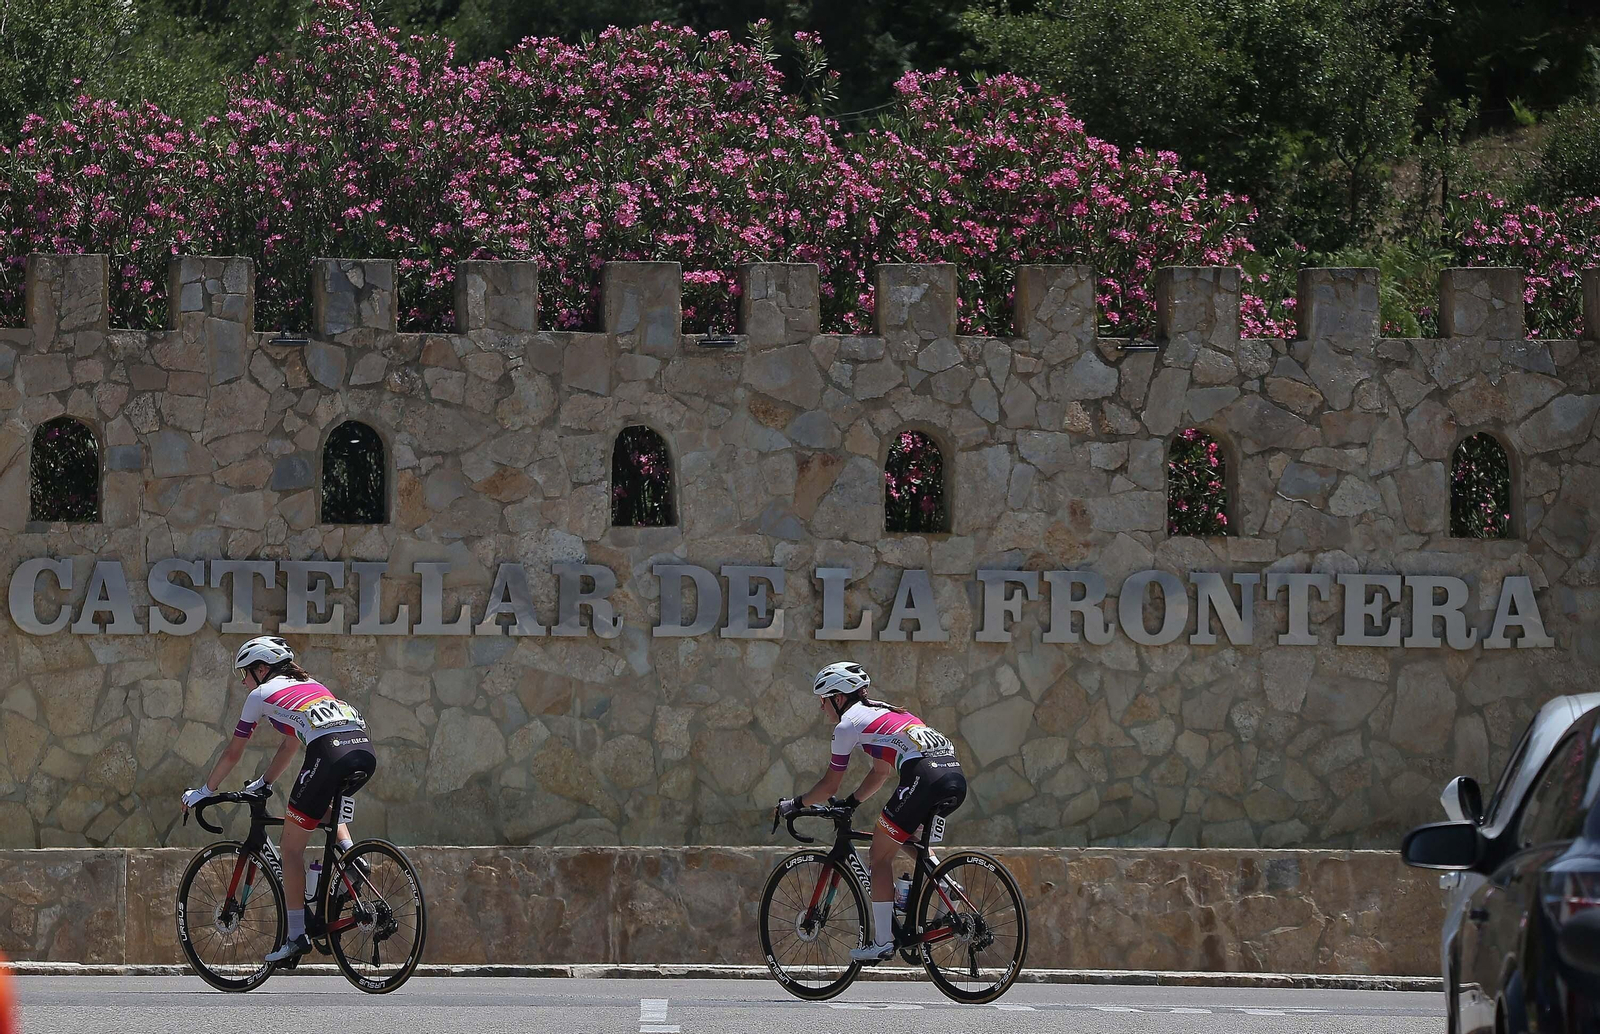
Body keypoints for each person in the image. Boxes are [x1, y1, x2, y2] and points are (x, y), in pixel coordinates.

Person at [180, 635, 375, 964]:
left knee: (290, 847)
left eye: (244, 674)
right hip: (363, 750)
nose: (244, 683)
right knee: (322, 809)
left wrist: (205, 791)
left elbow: (233, 752)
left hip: (329, 753)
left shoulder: (260, 695)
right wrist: (264, 781)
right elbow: (290, 745)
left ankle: (296, 936)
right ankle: (352, 858)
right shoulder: (311, 684)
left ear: (261, 668)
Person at [777, 661, 967, 963]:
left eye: (823, 701)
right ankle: (947, 885)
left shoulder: (847, 725)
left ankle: (882, 941)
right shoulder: (888, 713)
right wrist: (852, 801)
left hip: (925, 776)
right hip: (953, 777)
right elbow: (880, 773)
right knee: (903, 838)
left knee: (879, 855)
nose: (821, 709)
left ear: (838, 699)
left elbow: (828, 785)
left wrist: (796, 804)